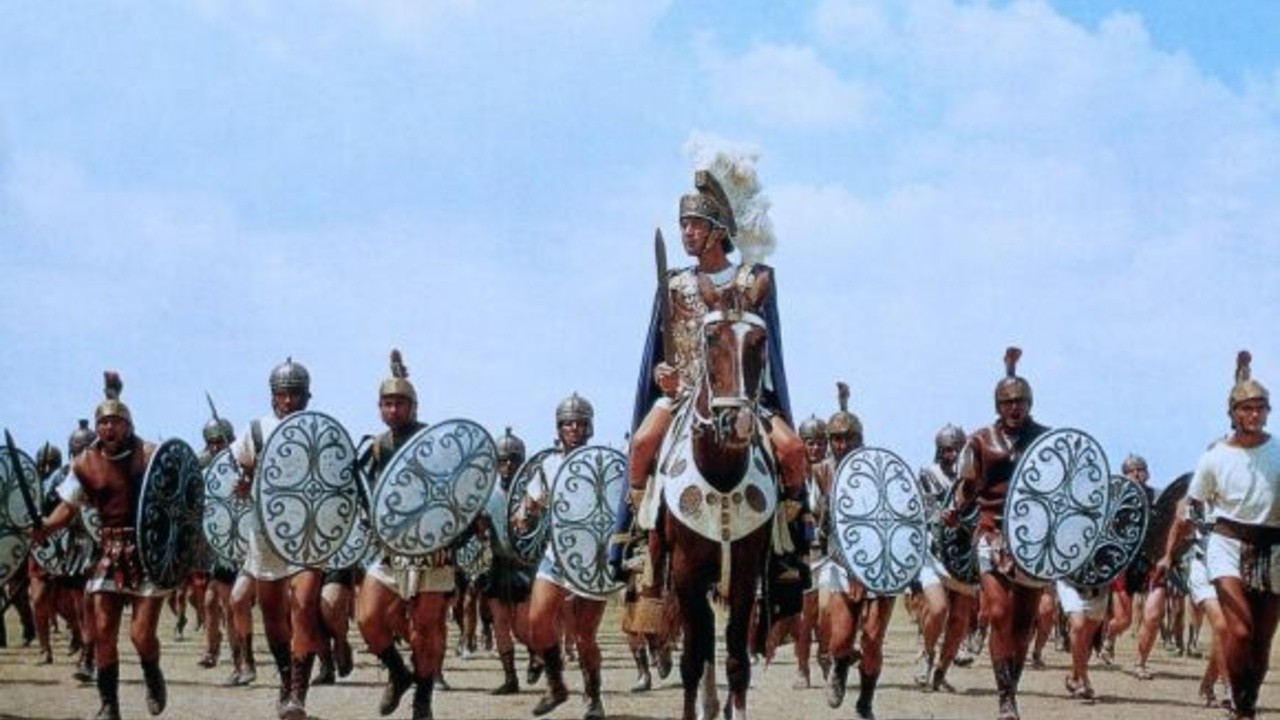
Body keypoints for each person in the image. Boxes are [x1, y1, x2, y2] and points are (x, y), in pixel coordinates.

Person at [32, 372, 169, 720]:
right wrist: (45, 528)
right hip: (109, 552)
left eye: (115, 422)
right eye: (103, 423)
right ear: (97, 428)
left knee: (141, 635)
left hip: (147, 552)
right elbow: (68, 508)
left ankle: (152, 673)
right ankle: (109, 704)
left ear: (128, 425)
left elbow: (174, 499)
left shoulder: (149, 455)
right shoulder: (85, 464)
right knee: (104, 631)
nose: (109, 428)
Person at [1159, 350, 1279, 720]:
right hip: (1226, 544)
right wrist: (1169, 554)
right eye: (1247, 408)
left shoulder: (1278, 452)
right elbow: (1189, 509)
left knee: (1261, 639)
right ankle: (1241, 705)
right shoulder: (1215, 457)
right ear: (1234, 413)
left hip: (1272, 547)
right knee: (1239, 631)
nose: (1254, 415)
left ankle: (1246, 701)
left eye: (1260, 408)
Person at [944, 348, 1050, 720]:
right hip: (992, 533)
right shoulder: (980, 440)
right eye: (1008, 402)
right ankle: (1006, 699)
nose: (1014, 407)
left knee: (1023, 625)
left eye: (1020, 401)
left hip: (1034, 542)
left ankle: (1011, 688)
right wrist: (956, 509)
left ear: (1030, 403)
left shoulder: (1045, 440)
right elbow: (968, 486)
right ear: (998, 405)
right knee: (999, 612)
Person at [356, 349, 454, 720]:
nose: (393, 410)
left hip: (432, 548)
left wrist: (450, 536)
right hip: (392, 547)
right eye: (387, 404)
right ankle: (398, 674)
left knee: (425, 631)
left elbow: (455, 491)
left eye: (400, 403)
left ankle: (422, 700)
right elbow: (366, 492)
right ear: (379, 408)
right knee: (368, 618)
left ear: (412, 407)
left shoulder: (433, 441)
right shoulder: (377, 446)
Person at [234, 357, 325, 720]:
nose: (288, 401)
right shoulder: (255, 430)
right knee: (273, 615)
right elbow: (241, 470)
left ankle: (298, 695)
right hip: (266, 533)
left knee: (303, 606)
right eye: (283, 394)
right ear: (273, 396)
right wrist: (243, 484)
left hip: (309, 532)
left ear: (307, 396)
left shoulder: (320, 431)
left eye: (295, 394)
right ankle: (286, 680)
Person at [521, 393, 609, 719]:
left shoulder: (603, 462)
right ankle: (556, 684)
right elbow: (532, 501)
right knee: (537, 623)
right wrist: (525, 512)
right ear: (559, 428)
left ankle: (593, 695)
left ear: (589, 427)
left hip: (592, 560)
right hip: (556, 555)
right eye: (567, 423)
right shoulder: (548, 465)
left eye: (579, 423)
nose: (573, 427)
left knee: (584, 637)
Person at [914, 424, 978, 693]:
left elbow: (980, 516)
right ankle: (926, 655)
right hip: (935, 553)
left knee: (959, 619)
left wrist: (963, 522)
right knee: (939, 609)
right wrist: (940, 516)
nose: (951, 455)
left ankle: (941, 671)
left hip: (964, 557)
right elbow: (923, 509)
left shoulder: (974, 481)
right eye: (947, 450)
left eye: (956, 450)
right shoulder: (928, 474)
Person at [481, 427, 537, 696]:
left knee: (522, 628)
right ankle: (510, 678)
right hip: (498, 564)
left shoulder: (532, 495)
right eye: (501, 461)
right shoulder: (487, 496)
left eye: (512, 460)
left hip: (524, 566)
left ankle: (537, 654)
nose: (507, 466)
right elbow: (480, 528)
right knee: (500, 623)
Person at [195, 408, 239, 674]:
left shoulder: (239, 464)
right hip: (212, 545)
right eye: (210, 442)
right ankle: (212, 649)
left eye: (219, 441)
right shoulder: (201, 467)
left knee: (228, 602)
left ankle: (238, 656)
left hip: (233, 545)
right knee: (210, 602)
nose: (215, 447)